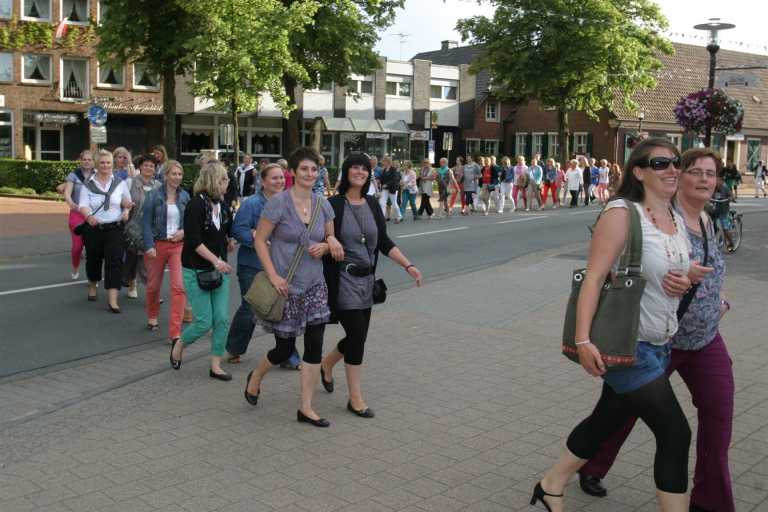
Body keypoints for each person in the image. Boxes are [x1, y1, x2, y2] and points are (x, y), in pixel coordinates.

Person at [531, 138, 693, 512]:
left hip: (660, 340)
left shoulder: (673, 215)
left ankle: (551, 483)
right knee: (675, 432)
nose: (672, 169)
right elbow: (593, 278)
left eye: (676, 162)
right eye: (660, 164)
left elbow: (667, 268)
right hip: (627, 343)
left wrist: (684, 280)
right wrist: (583, 339)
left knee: (606, 420)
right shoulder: (622, 213)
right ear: (639, 172)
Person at [579, 147, 734, 512]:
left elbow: (708, 269)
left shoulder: (707, 220)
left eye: (710, 174)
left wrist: (718, 298)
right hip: (658, 338)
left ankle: (711, 501)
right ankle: (590, 466)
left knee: (719, 414)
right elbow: (618, 264)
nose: (703, 179)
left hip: (705, 339)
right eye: (694, 171)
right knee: (619, 412)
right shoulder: (658, 214)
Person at [243, 147, 344, 427]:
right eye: (304, 169)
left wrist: (327, 245)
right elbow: (259, 240)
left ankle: (306, 408)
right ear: (293, 172)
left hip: (315, 285)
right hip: (286, 287)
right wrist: (273, 276)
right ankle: (256, 375)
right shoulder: (278, 203)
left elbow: (330, 236)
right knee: (283, 349)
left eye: (314, 169)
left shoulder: (323, 205)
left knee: (314, 345)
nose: (310, 174)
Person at [319, 154, 422, 418]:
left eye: (364, 168)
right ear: (346, 171)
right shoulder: (333, 205)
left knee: (359, 336)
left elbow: (383, 242)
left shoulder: (373, 204)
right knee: (356, 337)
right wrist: (329, 240)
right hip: (343, 281)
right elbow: (319, 237)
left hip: (366, 282)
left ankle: (327, 364)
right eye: (354, 167)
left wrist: (408, 265)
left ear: (369, 174)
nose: (359, 172)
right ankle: (355, 399)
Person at [224, 162, 302, 367]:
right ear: (263, 181)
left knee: (283, 309)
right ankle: (234, 348)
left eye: (281, 177)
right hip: (253, 266)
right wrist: (256, 238)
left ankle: (288, 356)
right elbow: (237, 230)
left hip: (281, 266)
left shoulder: (289, 203)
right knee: (251, 308)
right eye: (274, 178)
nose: (279, 181)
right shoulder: (252, 204)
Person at [169, 160, 235, 381]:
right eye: (224, 178)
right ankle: (180, 344)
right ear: (214, 180)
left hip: (220, 269)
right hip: (196, 269)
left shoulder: (223, 205)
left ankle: (215, 365)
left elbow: (225, 231)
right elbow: (194, 241)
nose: (227, 181)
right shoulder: (195, 205)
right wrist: (216, 261)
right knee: (203, 322)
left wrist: (230, 240)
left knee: (222, 319)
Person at [78, 150, 133, 312]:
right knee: (93, 260)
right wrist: (89, 217)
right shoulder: (88, 184)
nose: (105, 165)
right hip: (94, 229)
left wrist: (126, 211)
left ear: (112, 164)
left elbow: (127, 201)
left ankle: (113, 300)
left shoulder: (119, 183)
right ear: (97, 164)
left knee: (114, 262)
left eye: (108, 162)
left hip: (115, 228)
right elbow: (83, 205)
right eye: (102, 162)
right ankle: (93, 284)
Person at [142, 160, 189, 341]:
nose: (177, 177)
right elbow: (146, 222)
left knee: (179, 287)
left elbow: (190, 221)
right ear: (166, 175)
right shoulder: (153, 195)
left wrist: (184, 231)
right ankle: (152, 315)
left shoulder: (185, 196)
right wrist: (149, 245)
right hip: (157, 244)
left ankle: (175, 332)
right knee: (153, 286)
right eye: (174, 174)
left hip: (178, 246)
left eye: (180, 174)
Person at [122, 154, 161, 300]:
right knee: (133, 257)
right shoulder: (129, 183)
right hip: (132, 227)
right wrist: (125, 208)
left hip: (151, 229)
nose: (148, 168)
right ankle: (132, 283)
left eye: (152, 166)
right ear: (140, 166)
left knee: (148, 261)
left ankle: (153, 292)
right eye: (146, 165)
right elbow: (122, 200)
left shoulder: (158, 186)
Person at [62, 150, 94, 280]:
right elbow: (67, 193)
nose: (87, 162)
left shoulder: (98, 174)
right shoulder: (74, 175)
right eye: (84, 159)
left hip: (93, 213)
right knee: (77, 247)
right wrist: (71, 203)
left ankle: (92, 276)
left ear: (93, 162)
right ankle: (75, 267)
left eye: (89, 159)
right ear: (80, 161)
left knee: (93, 248)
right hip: (77, 214)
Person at [711, 173, 735, 251]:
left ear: (722, 181)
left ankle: (731, 243)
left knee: (725, 229)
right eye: (715, 179)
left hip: (723, 210)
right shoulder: (713, 188)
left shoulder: (725, 188)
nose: (716, 182)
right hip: (715, 210)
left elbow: (731, 195)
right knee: (711, 224)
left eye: (718, 180)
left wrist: (731, 198)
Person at [378, 156, 402, 223]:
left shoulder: (393, 169)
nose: (382, 162)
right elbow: (382, 178)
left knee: (394, 204)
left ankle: (399, 216)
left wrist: (387, 184)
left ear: (387, 162)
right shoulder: (384, 170)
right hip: (385, 189)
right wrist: (379, 181)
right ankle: (382, 218)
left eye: (383, 161)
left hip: (392, 188)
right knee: (382, 202)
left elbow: (394, 179)